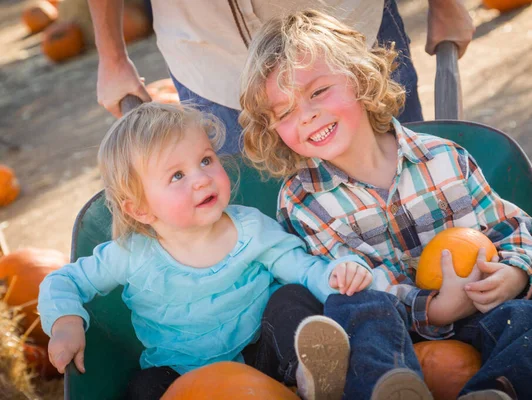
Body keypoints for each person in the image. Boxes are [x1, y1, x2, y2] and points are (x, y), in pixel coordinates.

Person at [239, 10, 532, 400]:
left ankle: (497, 390)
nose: (307, 116)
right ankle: (386, 390)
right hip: (381, 340)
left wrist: (513, 275)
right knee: (356, 302)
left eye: (318, 92)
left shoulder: (444, 159)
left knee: (531, 318)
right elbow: (351, 285)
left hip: (479, 313)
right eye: (285, 112)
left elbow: (508, 230)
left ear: (359, 77)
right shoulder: (303, 201)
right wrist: (436, 309)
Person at [37, 102, 374, 399]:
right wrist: (66, 322)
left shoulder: (250, 229)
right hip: (187, 381)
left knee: (291, 298)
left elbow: (300, 267)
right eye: (177, 175)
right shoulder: (130, 255)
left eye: (206, 160)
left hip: (265, 359)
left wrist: (336, 274)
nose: (201, 179)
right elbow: (64, 281)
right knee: (144, 387)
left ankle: (309, 380)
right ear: (140, 209)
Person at [88, 0, 474, 154]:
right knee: (275, 230)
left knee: (415, 179)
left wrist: (446, 2)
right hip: (212, 61)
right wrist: (111, 55)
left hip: (347, 30)